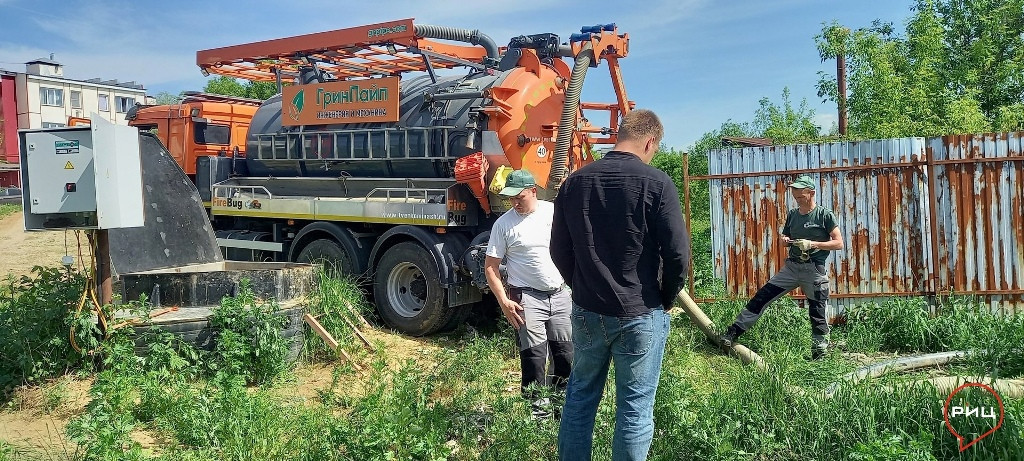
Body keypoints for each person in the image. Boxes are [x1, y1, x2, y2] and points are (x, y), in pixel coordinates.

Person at [551, 109, 690, 461]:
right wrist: (667, 298)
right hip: (640, 310)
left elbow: (558, 249)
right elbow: (677, 255)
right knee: (635, 406)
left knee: (580, 395)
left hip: (587, 310)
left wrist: (581, 285)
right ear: (649, 141)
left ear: (619, 135)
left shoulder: (574, 183)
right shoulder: (657, 184)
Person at [718, 174, 844, 360]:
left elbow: (839, 243)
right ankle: (732, 333)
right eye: (795, 195)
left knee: (817, 310)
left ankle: (820, 355)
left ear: (811, 193)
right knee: (762, 297)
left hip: (814, 270)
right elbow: (785, 240)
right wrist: (785, 240)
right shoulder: (793, 215)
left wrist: (813, 244)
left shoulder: (824, 215)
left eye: (801, 195)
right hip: (791, 268)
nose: (797, 198)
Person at [484, 169, 573, 415]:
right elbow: (490, 267)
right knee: (534, 356)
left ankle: (560, 409)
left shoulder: (553, 213)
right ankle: (537, 414)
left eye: (519, 197)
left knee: (565, 353)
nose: (514, 203)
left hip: (560, 293)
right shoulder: (503, 224)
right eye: (510, 198)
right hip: (527, 297)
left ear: (533, 191)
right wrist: (504, 302)